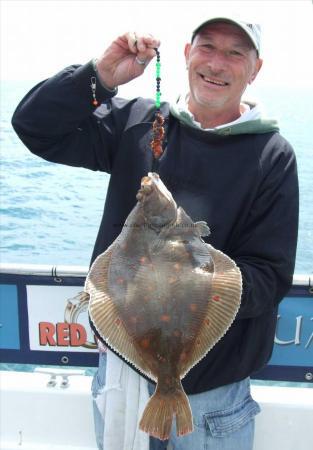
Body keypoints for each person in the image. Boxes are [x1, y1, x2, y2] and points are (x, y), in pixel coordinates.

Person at [12, 16, 299, 450]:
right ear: (186, 55)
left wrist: (192, 278)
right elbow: (35, 128)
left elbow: (270, 276)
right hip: (121, 380)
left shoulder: (272, 156)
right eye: (207, 47)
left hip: (213, 396)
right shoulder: (140, 122)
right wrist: (100, 77)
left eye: (235, 53)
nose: (217, 64)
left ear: (255, 69)